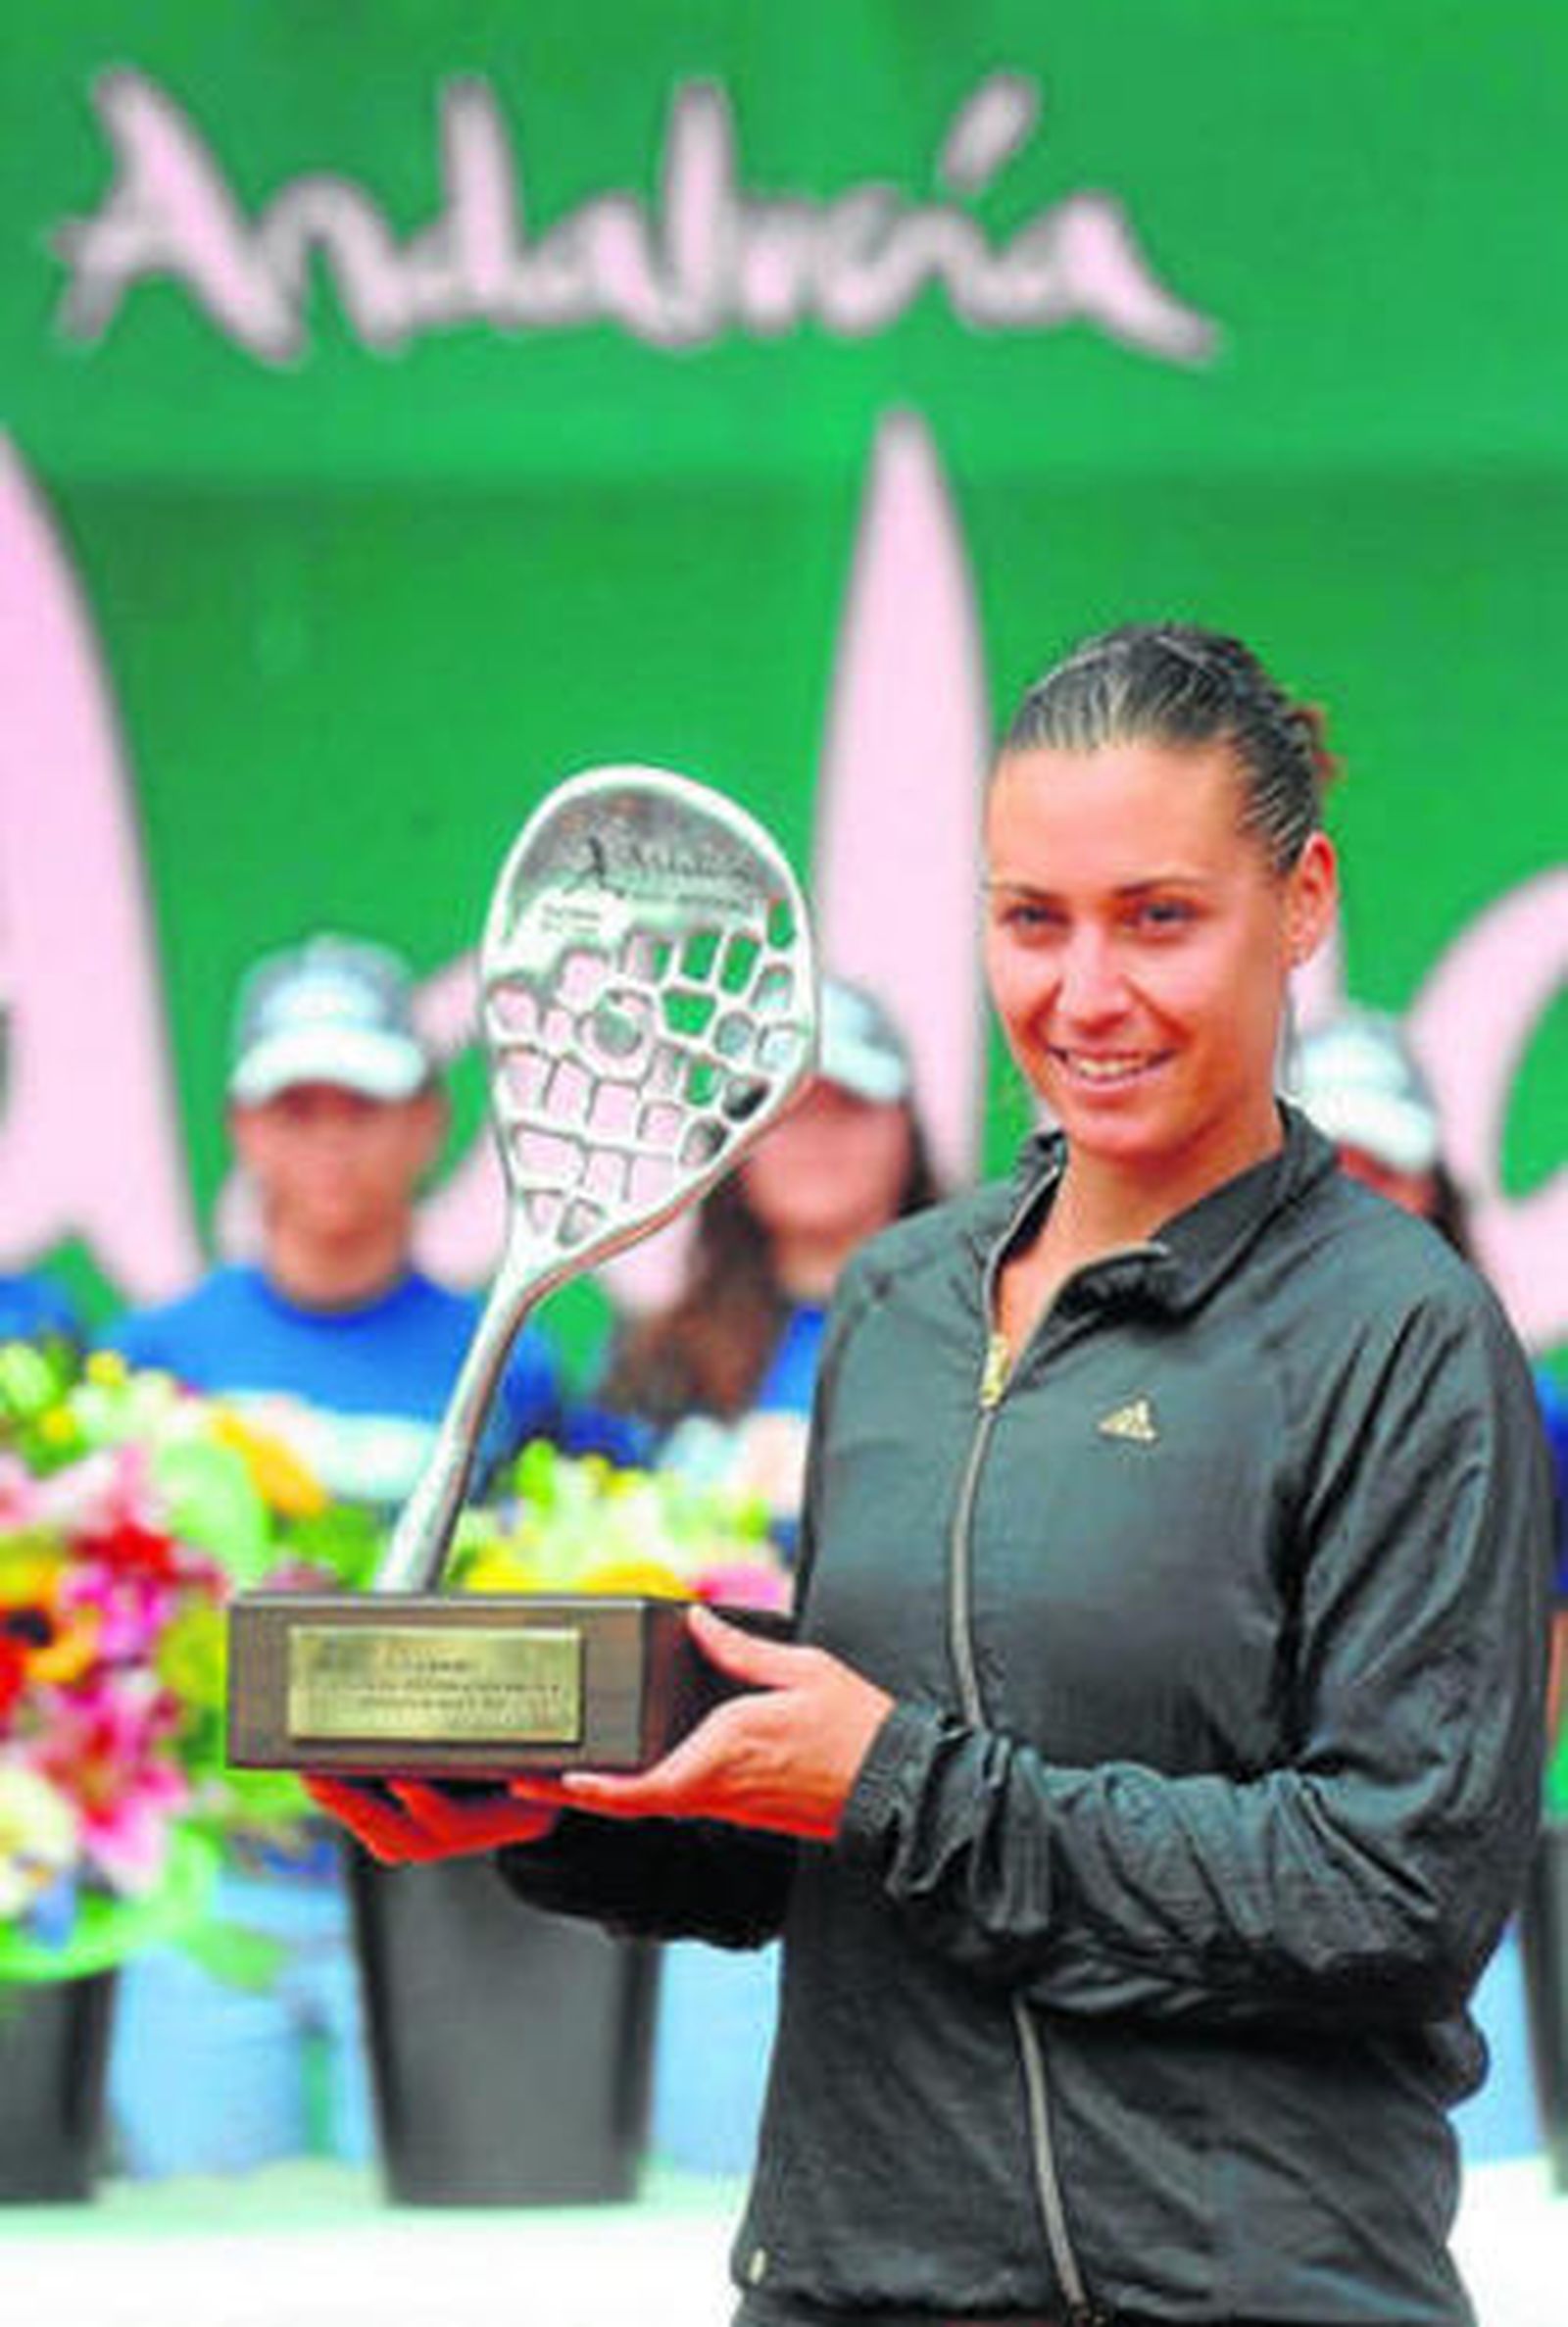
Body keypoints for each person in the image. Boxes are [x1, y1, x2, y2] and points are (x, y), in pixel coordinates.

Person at [312, 623, 1553, 2327]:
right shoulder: (898, 1298)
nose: (1086, 991)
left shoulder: (1403, 1335)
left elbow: (1394, 1894)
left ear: (1306, 899)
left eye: (1159, 916)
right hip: (847, 2273)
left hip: (1244, 2285)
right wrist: (551, 1808)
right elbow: (846, 1852)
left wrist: (893, 1774)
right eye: (1032, 916)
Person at [101, 933, 593, 2181]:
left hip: (440, 1890)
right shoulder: (149, 1354)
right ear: (241, 1127)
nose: (330, 1139)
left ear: (430, 1121)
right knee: (192, 2269)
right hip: (207, 1898)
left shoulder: (510, 1361)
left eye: (363, 1104)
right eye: (295, 1105)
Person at [602, 975, 939, 2172]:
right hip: (718, 1846)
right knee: (701, 2201)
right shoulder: (652, 1364)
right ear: (732, 1150)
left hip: (921, 1836)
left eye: (848, 1105)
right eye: (780, 1112)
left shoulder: (999, 1338)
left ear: (909, 1130)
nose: (816, 1138)